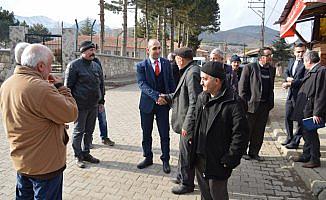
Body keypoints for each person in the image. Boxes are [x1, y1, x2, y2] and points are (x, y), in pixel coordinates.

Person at [0, 44, 78, 199]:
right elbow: (71, 113)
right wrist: (60, 87)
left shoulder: (8, 84)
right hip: (45, 165)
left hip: (22, 160)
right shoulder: (40, 88)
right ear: (41, 66)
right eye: (50, 65)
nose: (51, 70)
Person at [190, 61, 249, 200]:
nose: (201, 83)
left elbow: (240, 135)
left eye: (205, 79)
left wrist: (230, 158)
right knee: (205, 194)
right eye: (201, 79)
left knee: (217, 195)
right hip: (200, 157)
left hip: (218, 160)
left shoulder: (233, 103)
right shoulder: (202, 97)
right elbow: (194, 122)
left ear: (217, 81)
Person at [163, 47, 202, 194]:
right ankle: (181, 176)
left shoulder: (192, 73)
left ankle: (187, 184)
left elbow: (195, 102)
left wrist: (188, 125)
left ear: (180, 59)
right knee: (183, 151)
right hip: (185, 122)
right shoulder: (189, 70)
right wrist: (167, 97)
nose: (175, 62)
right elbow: (181, 94)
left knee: (187, 153)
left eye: (175, 59)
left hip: (188, 123)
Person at [136, 39, 175, 173]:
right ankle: (148, 157)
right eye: (154, 48)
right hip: (147, 105)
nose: (157, 51)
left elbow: (170, 82)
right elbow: (142, 84)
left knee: (164, 133)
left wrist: (170, 99)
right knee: (146, 133)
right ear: (148, 50)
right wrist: (157, 96)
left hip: (163, 105)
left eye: (159, 48)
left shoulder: (166, 63)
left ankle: (165, 160)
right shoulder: (141, 66)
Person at [65, 41, 104, 168]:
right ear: (83, 51)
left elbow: (101, 85)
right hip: (80, 106)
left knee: (89, 131)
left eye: (94, 50)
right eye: (90, 50)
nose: (93, 52)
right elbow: (67, 88)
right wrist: (69, 105)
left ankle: (86, 153)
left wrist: (101, 101)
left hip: (93, 105)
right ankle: (78, 155)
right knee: (78, 131)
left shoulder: (96, 66)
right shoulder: (74, 66)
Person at [238, 47, 276, 161]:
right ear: (261, 57)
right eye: (268, 55)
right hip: (250, 106)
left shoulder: (272, 70)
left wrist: (270, 103)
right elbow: (242, 89)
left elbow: (271, 87)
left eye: (271, 55)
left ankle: (254, 152)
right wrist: (244, 104)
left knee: (259, 131)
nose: (270, 57)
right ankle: (243, 151)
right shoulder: (250, 68)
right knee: (247, 130)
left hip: (264, 106)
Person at [292, 51, 326, 168]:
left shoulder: (321, 71)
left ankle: (314, 159)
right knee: (306, 133)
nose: (304, 64)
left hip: (312, 110)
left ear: (308, 61)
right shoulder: (312, 71)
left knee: (311, 134)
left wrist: (317, 112)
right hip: (306, 108)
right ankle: (306, 155)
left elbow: (321, 93)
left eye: (304, 61)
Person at [281, 43, 306, 149]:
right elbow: (286, 72)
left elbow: (304, 80)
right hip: (290, 95)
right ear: (294, 52)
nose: (300, 54)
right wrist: (287, 78)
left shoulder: (306, 63)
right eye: (298, 51)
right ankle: (289, 137)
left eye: (302, 51)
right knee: (287, 116)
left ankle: (296, 141)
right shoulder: (291, 61)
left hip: (301, 95)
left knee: (300, 119)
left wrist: (291, 83)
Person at [93, 57, 115, 146]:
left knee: (103, 120)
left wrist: (102, 101)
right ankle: (87, 141)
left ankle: (105, 138)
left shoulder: (97, 62)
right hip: (87, 102)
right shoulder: (80, 66)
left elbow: (102, 86)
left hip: (99, 101)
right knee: (89, 122)